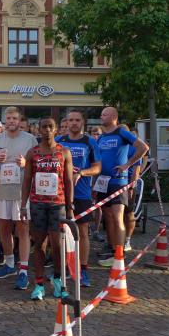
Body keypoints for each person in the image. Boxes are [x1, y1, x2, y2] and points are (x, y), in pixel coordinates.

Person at [21, 117, 74, 301]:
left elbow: (68, 180)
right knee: (39, 245)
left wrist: (70, 206)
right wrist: (23, 205)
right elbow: (27, 180)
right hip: (38, 204)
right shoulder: (32, 153)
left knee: (57, 245)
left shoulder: (64, 152)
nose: (47, 130)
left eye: (51, 127)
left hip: (57, 204)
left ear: (56, 129)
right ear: (39, 129)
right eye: (44, 127)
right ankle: (39, 284)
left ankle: (58, 280)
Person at [0, 107, 38, 289]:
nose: (11, 121)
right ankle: (9, 264)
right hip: (2, 191)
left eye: (14, 118)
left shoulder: (30, 139)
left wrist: (26, 163)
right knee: (4, 228)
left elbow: (39, 164)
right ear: (4, 120)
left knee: (23, 229)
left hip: (22, 193)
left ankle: (23, 270)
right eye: (8, 118)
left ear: (19, 120)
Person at [94, 108, 148, 267]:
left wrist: (127, 164)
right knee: (108, 217)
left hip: (118, 182)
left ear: (114, 117)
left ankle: (120, 255)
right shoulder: (102, 137)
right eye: (101, 114)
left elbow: (143, 148)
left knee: (117, 217)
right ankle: (113, 250)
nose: (101, 116)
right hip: (103, 182)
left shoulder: (121, 133)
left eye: (104, 114)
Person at [56, 110, 101, 287]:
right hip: (60, 194)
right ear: (66, 122)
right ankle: (63, 268)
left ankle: (83, 269)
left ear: (83, 122)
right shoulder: (59, 141)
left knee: (82, 232)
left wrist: (81, 173)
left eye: (77, 120)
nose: (73, 123)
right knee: (60, 233)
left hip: (82, 194)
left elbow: (97, 168)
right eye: (71, 120)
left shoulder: (89, 142)